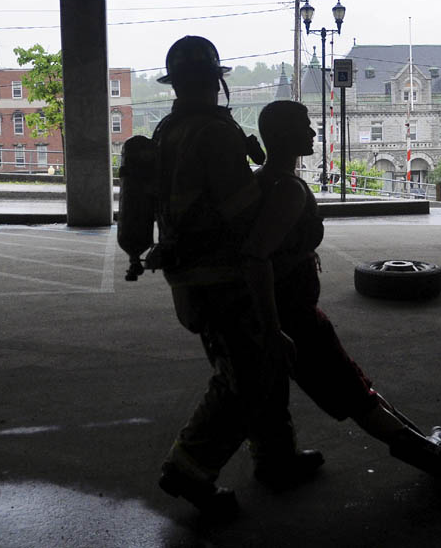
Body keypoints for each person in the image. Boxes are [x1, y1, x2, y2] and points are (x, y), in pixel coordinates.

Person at [242, 100, 441, 497]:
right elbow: (257, 257)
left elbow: (273, 246)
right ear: (284, 135)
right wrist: (273, 328)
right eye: (305, 125)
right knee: (357, 396)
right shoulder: (288, 187)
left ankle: (276, 462)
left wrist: (301, 251)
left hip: (280, 313)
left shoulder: (262, 178)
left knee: (281, 395)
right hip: (293, 318)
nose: (313, 132)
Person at [152, 38, 322, 519]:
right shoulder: (215, 134)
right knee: (245, 377)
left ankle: (276, 458)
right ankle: (189, 469)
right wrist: (270, 188)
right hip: (222, 279)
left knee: (262, 369)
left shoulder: (167, 131)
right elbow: (241, 213)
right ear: (217, 80)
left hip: (187, 275)